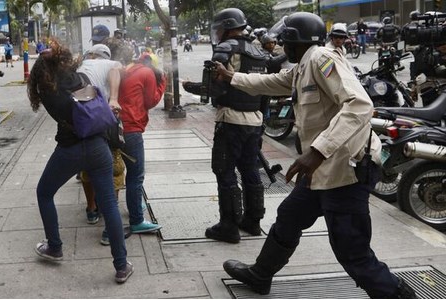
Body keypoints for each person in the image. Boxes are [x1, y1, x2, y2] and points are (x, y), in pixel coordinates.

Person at [215, 12, 417, 298]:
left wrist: (316, 152)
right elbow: (271, 82)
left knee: (352, 250)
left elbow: (359, 106)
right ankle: (260, 275)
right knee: (289, 216)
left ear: (295, 40)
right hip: (322, 171)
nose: (281, 43)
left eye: (285, 38)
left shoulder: (322, 59)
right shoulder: (301, 67)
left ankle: (398, 295)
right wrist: (231, 77)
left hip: (345, 171)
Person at [27, 42, 133, 283]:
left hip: (70, 150)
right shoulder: (80, 77)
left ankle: (54, 247)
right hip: (99, 147)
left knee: (44, 192)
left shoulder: (47, 90)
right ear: (64, 60)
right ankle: (121, 266)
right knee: (109, 205)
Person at [182, 8, 268, 244]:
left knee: (225, 170)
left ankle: (228, 226)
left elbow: (214, 89)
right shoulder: (258, 50)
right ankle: (253, 221)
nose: (218, 33)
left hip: (230, 120)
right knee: (250, 171)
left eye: (220, 28)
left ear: (228, 27)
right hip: (255, 120)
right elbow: (266, 89)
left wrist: (189, 86)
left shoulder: (224, 49)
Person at [76, 44, 125, 242]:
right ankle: (110, 228)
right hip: (104, 122)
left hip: (85, 124)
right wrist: (114, 98)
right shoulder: (105, 62)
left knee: (88, 167)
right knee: (114, 168)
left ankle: (91, 208)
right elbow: (116, 69)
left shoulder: (81, 67)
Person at [117, 52, 167, 235]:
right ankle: (137, 220)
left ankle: (135, 204)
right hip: (131, 129)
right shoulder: (147, 73)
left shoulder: (128, 68)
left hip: (116, 126)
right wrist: (162, 83)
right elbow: (151, 100)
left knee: (120, 172)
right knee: (136, 175)